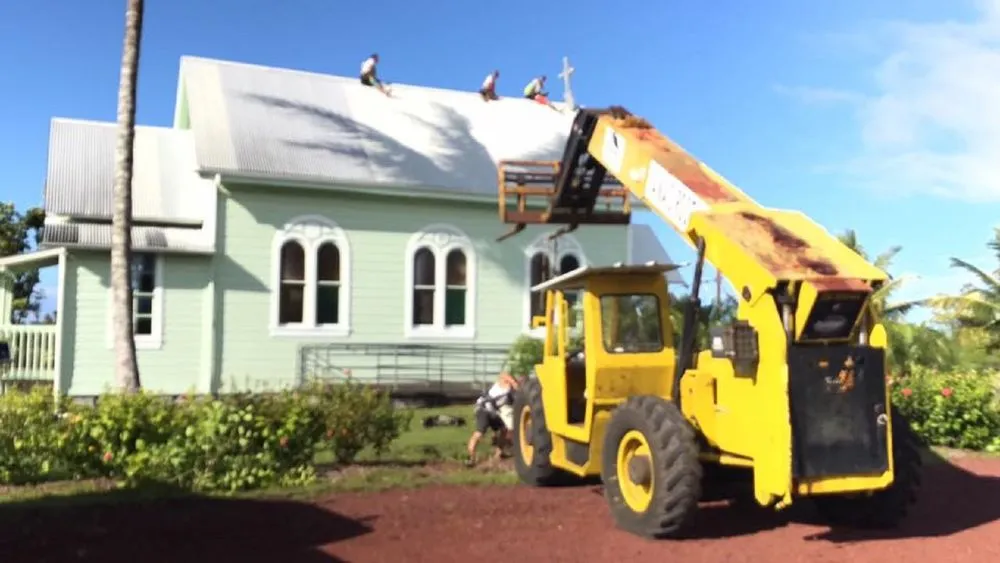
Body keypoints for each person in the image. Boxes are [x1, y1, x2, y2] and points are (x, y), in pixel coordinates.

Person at [466, 370, 521, 466]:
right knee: (479, 433)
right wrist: (514, 382)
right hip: (483, 409)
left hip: (493, 412)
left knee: (504, 429)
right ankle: (471, 458)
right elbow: (503, 374)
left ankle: (499, 454)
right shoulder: (503, 383)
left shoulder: (512, 394)